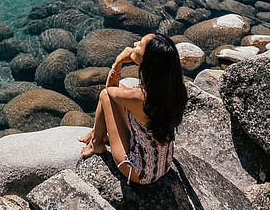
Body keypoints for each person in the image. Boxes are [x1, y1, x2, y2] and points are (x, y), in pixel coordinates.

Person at [77, 32, 187, 184]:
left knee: (105, 95)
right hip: (163, 164)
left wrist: (118, 61)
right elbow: (120, 91)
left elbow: (109, 89)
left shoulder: (138, 97)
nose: (135, 44)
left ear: (148, 61)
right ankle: (96, 133)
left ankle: (96, 144)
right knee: (120, 90)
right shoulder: (173, 90)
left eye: (139, 45)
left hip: (139, 172)